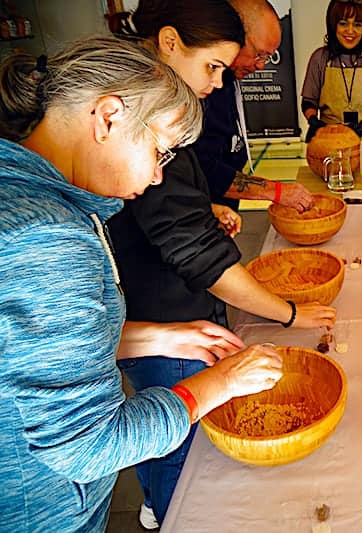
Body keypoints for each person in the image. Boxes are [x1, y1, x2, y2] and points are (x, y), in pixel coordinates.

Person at [0, 36, 284, 533]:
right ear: (108, 117)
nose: (156, 176)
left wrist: (156, 335)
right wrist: (217, 384)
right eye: (160, 150)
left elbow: (23, 352)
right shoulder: (48, 238)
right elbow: (89, 446)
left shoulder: (32, 195)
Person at [108, 2, 337, 528]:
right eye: (215, 66)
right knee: (173, 445)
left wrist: (199, 206)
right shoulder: (142, 114)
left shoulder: (163, 104)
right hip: (161, 305)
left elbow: (167, 210)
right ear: (169, 43)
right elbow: (190, 246)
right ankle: (170, 512)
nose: (222, 80)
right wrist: (289, 314)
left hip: (167, 321)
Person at [194, 0, 313, 212]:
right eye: (259, 54)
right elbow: (203, 167)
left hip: (220, 208)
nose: (261, 65)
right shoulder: (203, 87)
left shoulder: (226, 80)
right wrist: (275, 191)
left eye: (268, 57)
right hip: (194, 214)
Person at [300, 0, 362, 143]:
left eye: (357, 25)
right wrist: (314, 121)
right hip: (328, 138)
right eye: (343, 23)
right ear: (333, 25)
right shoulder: (319, 58)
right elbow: (309, 101)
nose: (350, 31)